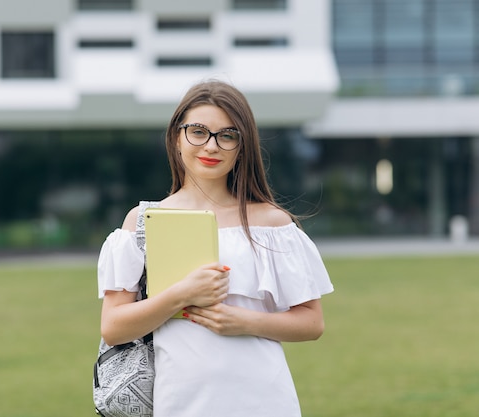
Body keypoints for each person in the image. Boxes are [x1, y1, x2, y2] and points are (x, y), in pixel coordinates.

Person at [97, 80, 333, 416]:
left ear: (242, 146)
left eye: (227, 135)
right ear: (177, 138)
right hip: (180, 401)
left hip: (264, 400)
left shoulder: (272, 223)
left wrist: (242, 321)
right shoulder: (144, 221)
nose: (211, 146)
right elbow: (113, 326)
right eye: (198, 131)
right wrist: (180, 294)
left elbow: (311, 323)